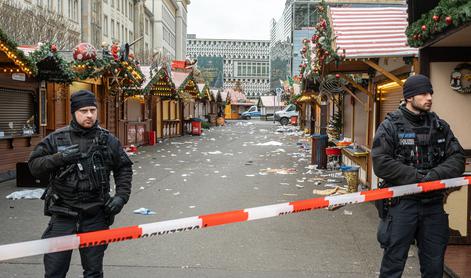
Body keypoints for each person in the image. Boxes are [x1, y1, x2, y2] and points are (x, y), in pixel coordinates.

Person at [29, 90, 133, 278]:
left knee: (93, 272)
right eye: (83, 111)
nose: (89, 115)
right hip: (63, 214)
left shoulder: (107, 140)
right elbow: (34, 166)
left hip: (95, 214)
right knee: (54, 271)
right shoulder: (56, 138)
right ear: (74, 112)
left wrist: (121, 197)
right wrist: (59, 158)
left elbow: (124, 168)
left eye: (93, 110)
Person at [372, 74, 465, 278]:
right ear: (409, 97)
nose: (429, 97)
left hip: (433, 206)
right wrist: (417, 177)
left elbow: (458, 158)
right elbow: (381, 162)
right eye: (423, 93)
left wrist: (433, 176)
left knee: (434, 266)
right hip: (401, 205)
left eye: (430, 93)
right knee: (392, 266)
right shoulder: (390, 126)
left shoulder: (439, 126)